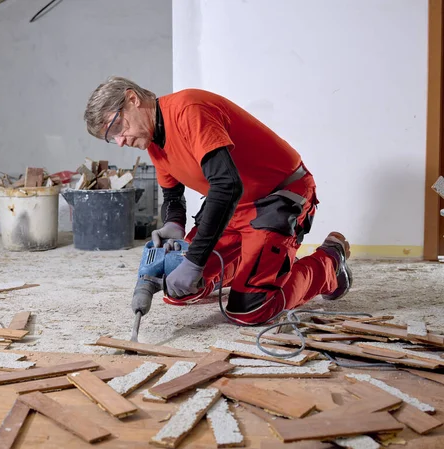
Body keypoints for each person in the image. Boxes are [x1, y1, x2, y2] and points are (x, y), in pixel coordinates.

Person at [83, 76, 352, 325]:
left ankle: (329, 261)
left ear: (133, 99)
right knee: (178, 291)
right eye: (111, 138)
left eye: (117, 126)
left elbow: (227, 185)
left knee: (249, 308)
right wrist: (173, 225)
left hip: (275, 196)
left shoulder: (188, 109)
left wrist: (195, 261)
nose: (119, 141)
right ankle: (243, 267)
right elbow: (173, 197)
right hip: (232, 207)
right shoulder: (153, 141)